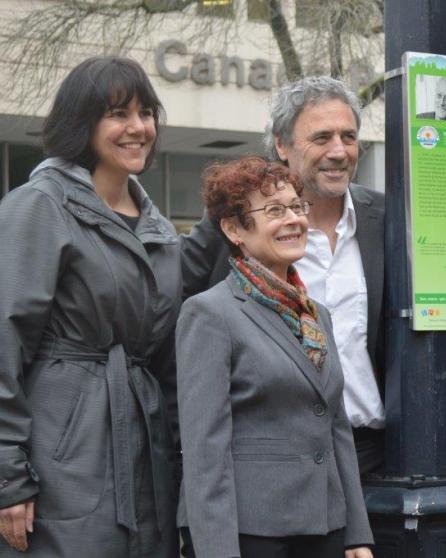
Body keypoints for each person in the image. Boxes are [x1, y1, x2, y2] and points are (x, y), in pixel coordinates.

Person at [0, 56, 180, 556]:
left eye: (145, 113)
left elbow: (168, 358)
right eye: (118, 113)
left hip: (147, 454)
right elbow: (3, 342)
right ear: (82, 122)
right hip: (63, 456)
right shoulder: (39, 205)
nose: (137, 128)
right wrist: (7, 476)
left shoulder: (160, 230)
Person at [181, 76, 386, 474]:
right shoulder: (231, 229)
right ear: (281, 144)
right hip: (273, 467)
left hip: (375, 457)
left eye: (349, 136)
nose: (339, 151)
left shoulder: (387, 219)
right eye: (322, 137)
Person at [176, 156, 373, 558]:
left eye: (297, 207)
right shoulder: (210, 313)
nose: (294, 220)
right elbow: (205, 449)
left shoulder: (317, 315)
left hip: (325, 526)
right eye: (274, 211)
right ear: (234, 229)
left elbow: (336, 428)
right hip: (252, 532)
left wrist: (356, 533)